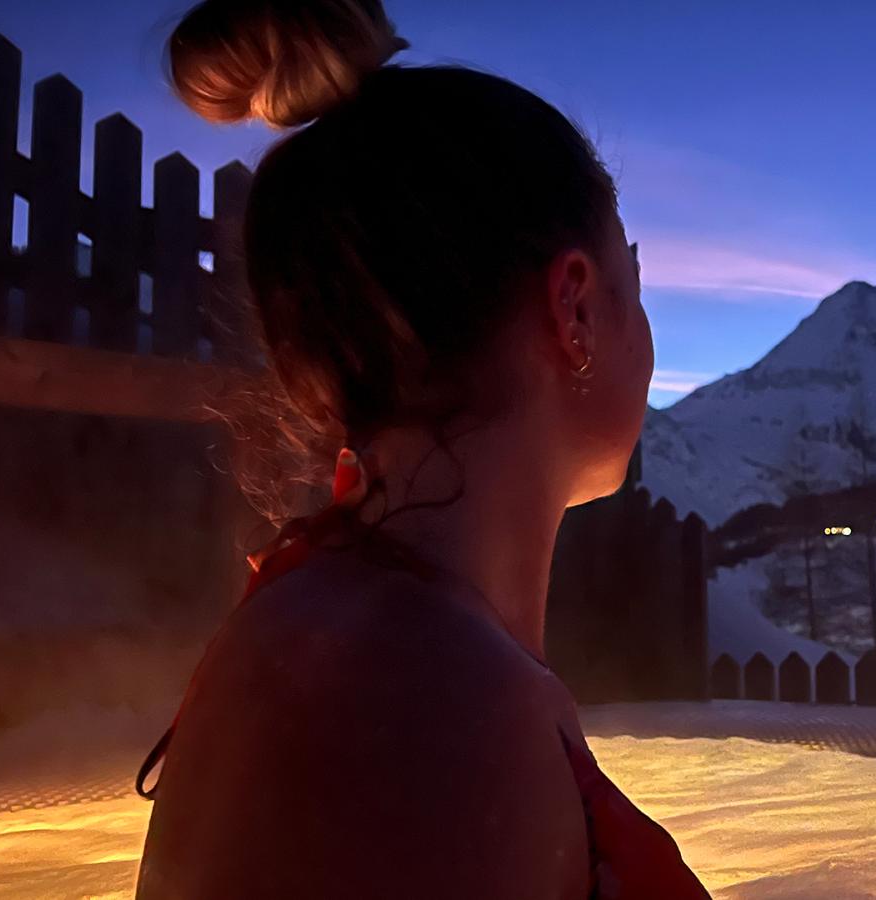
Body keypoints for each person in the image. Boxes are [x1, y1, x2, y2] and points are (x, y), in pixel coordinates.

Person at [136, 1, 708, 897]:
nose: (646, 333)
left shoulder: (366, 631)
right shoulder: (430, 704)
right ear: (575, 308)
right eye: (632, 286)